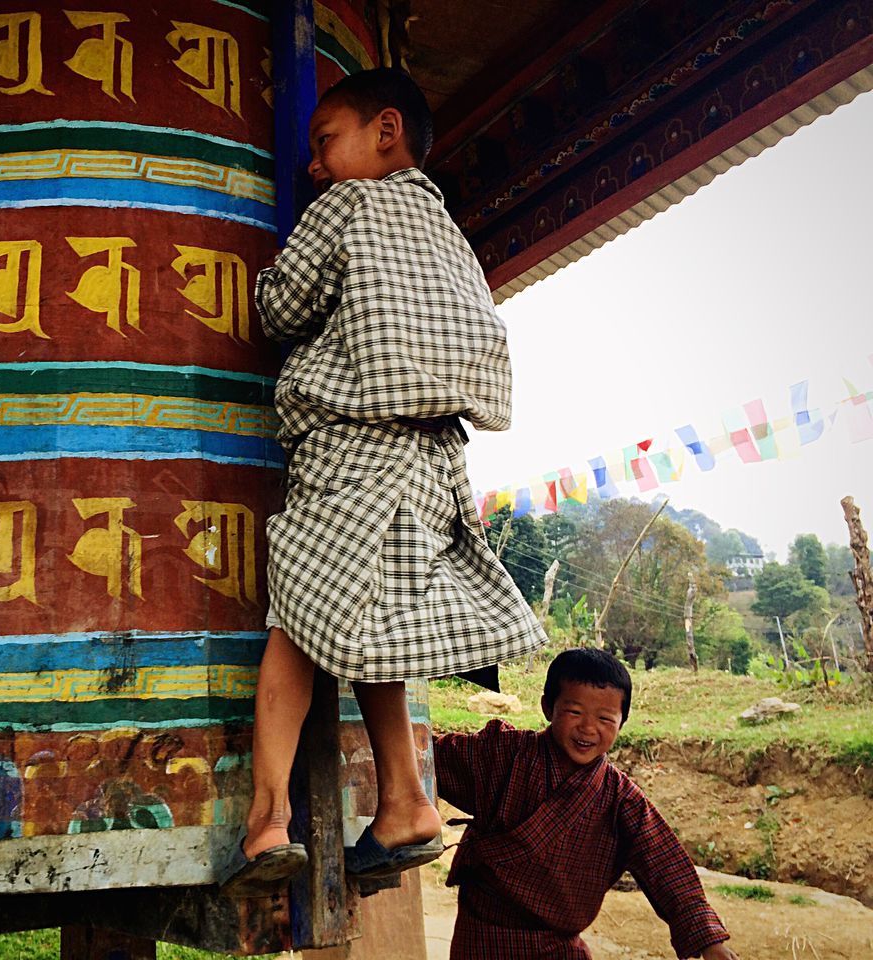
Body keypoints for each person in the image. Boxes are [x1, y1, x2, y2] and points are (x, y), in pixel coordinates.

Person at [217, 68, 546, 897]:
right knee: (374, 620)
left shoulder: (348, 207)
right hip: (437, 457)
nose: (315, 167)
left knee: (296, 613)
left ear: (386, 131)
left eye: (326, 142)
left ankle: (265, 822)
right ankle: (404, 800)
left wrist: (265, 270)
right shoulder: (447, 232)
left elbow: (281, 309)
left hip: (355, 446)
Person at [435, 648, 739, 959]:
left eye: (605, 718)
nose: (588, 728)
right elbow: (428, 759)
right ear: (547, 707)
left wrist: (709, 942)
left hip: (559, 947)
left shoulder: (622, 799)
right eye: (575, 712)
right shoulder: (503, 755)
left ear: (623, 722)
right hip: (483, 938)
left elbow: (666, 865)